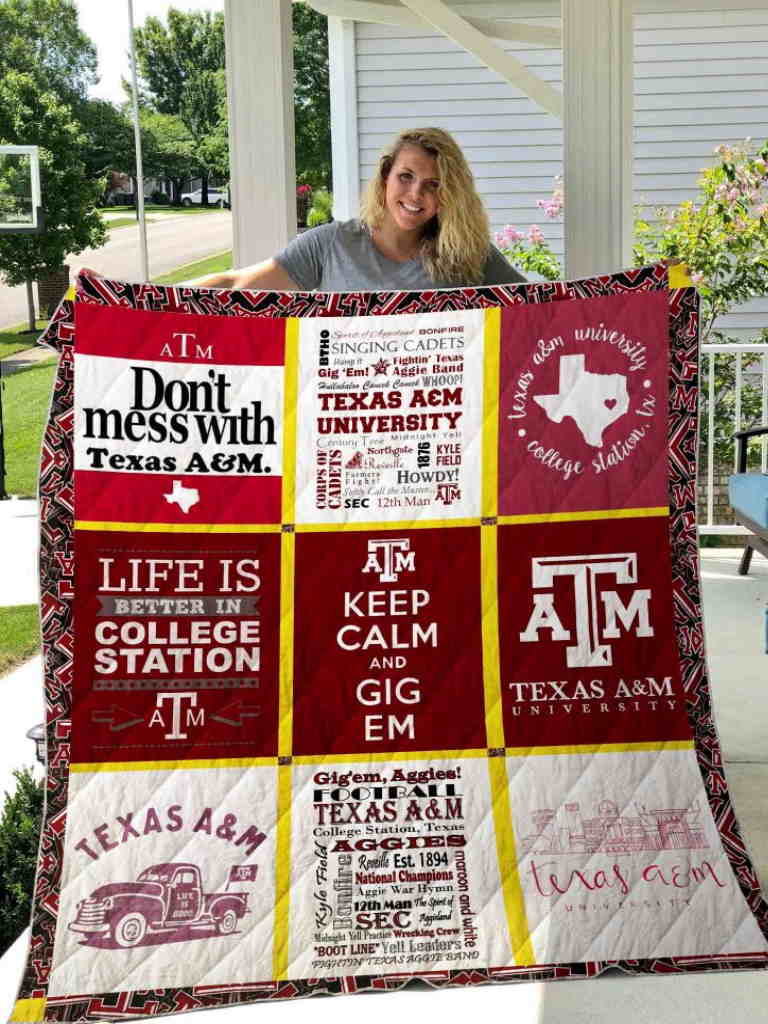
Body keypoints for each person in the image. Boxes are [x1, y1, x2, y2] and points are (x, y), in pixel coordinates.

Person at [196, 126, 525, 292]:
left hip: (439, 419)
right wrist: (148, 303)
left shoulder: (468, 256)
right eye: (405, 177)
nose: (415, 193)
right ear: (385, 177)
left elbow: (539, 309)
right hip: (345, 415)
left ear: (449, 194)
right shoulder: (330, 245)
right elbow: (237, 285)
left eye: (433, 185)